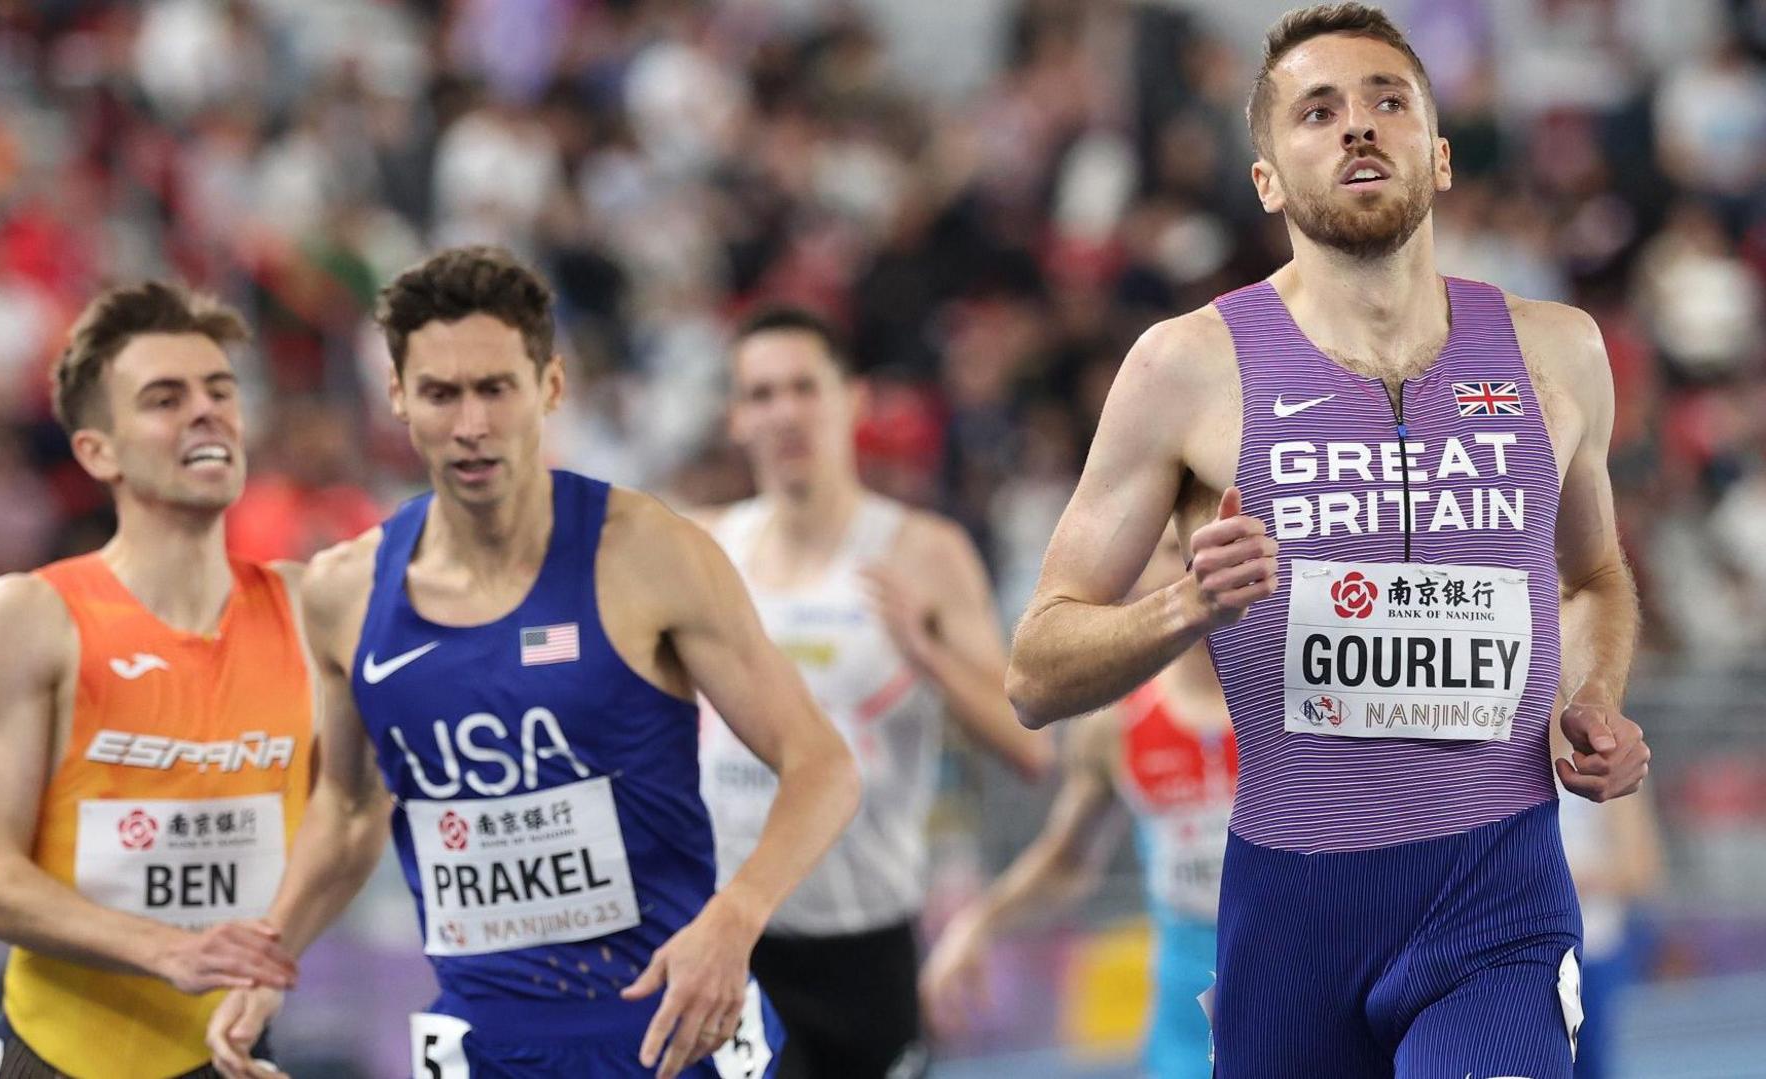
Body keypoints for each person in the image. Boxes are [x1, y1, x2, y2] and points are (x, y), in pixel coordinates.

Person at [1004, 5, 1651, 1077]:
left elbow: (1590, 579)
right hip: (1290, 915)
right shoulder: (1184, 369)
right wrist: (1186, 608)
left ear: (1438, 157)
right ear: (1268, 178)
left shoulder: (1559, 353)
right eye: (1318, 111)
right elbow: (1034, 670)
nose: (1358, 127)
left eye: (1387, 102)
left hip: (1498, 898)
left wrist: (1595, 696)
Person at [203, 246, 860, 1079]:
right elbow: (347, 806)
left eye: (495, 388)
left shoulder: (646, 553)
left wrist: (737, 918)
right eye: (441, 393)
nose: (470, 424)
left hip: (671, 1034)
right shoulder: (345, 593)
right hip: (483, 1047)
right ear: (398, 395)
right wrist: (272, 955)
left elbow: (822, 764)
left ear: (549, 386)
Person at [0, 282, 312, 1078]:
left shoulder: (310, 612)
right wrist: (170, 950)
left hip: (231, 1054)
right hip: (52, 1056)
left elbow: (351, 814)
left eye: (220, 391)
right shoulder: (29, 616)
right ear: (97, 451)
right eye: (165, 398)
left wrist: (277, 953)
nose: (207, 412)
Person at [690, 307, 1051, 1079]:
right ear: (735, 418)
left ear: (850, 400)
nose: (785, 412)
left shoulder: (924, 552)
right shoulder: (702, 548)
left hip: (868, 945)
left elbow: (1028, 745)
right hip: (735, 936)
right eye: (761, 394)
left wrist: (927, 653)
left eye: (803, 388)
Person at [922, 531, 1230, 1079]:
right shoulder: (1117, 726)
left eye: (1204, 544)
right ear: (1135, 573)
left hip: (1306, 1006)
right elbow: (1067, 862)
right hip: (1185, 1037)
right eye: (1165, 550)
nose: (1191, 566)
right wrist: (977, 924)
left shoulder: (1306, 708)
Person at [1557, 753, 1664, 1079]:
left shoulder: (1608, 763)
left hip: (1592, 954)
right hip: (1520, 952)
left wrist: (1559, 879)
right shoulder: (1504, 768)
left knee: (1588, 1068)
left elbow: (1640, 870)